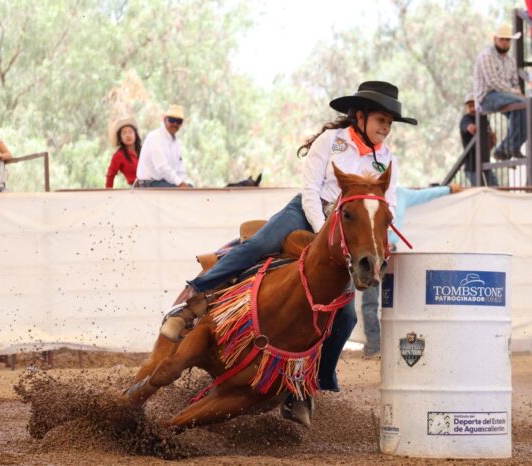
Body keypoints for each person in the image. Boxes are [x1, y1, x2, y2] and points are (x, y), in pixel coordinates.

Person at [160, 81, 416, 421]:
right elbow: (310, 190)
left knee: (347, 315)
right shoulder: (331, 142)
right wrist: (321, 229)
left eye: (389, 122)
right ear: (360, 116)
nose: (385, 128)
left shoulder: (387, 159)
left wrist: (371, 236)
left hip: (347, 232)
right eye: (380, 120)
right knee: (260, 245)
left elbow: (389, 205)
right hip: (309, 213)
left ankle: (310, 384)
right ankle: (194, 299)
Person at [361, 183, 462, 358]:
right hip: (374, 250)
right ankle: (375, 345)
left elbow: (427, 194)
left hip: (389, 249)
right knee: (375, 299)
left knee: (389, 297)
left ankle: (379, 344)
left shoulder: (399, 193)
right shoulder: (383, 193)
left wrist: (448, 189)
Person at [473, 24, 527, 160]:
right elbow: (493, 82)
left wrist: (518, 93)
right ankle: (508, 147)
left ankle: (508, 148)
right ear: (495, 39)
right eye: (502, 39)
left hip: (505, 96)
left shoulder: (511, 60)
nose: (505, 42)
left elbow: (515, 82)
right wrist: (516, 93)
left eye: (507, 40)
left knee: (525, 109)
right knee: (522, 104)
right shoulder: (486, 56)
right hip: (486, 97)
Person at [136, 104, 190, 188]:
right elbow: (162, 167)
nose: (175, 124)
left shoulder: (176, 143)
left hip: (165, 183)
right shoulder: (155, 137)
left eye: (179, 121)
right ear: (165, 120)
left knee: (192, 189)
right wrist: (180, 183)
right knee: (179, 191)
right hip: (149, 183)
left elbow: (180, 169)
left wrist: (184, 183)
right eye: (172, 120)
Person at [459, 94, 499, 186]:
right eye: (470, 106)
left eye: (474, 105)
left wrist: (491, 138)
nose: (472, 108)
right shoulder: (466, 119)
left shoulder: (484, 119)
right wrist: (485, 132)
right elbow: (471, 129)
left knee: (496, 188)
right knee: (482, 191)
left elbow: (490, 143)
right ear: (466, 108)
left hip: (484, 164)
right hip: (472, 168)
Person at [105, 117, 141, 188]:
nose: (128, 135)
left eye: (130, 132)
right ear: (120, 138)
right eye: (124, 133)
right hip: (136, 188)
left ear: (135, 134)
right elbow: (110, 174)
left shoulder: (143, 150)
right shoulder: (119, 155)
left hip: (152, 184)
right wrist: (108, 193)